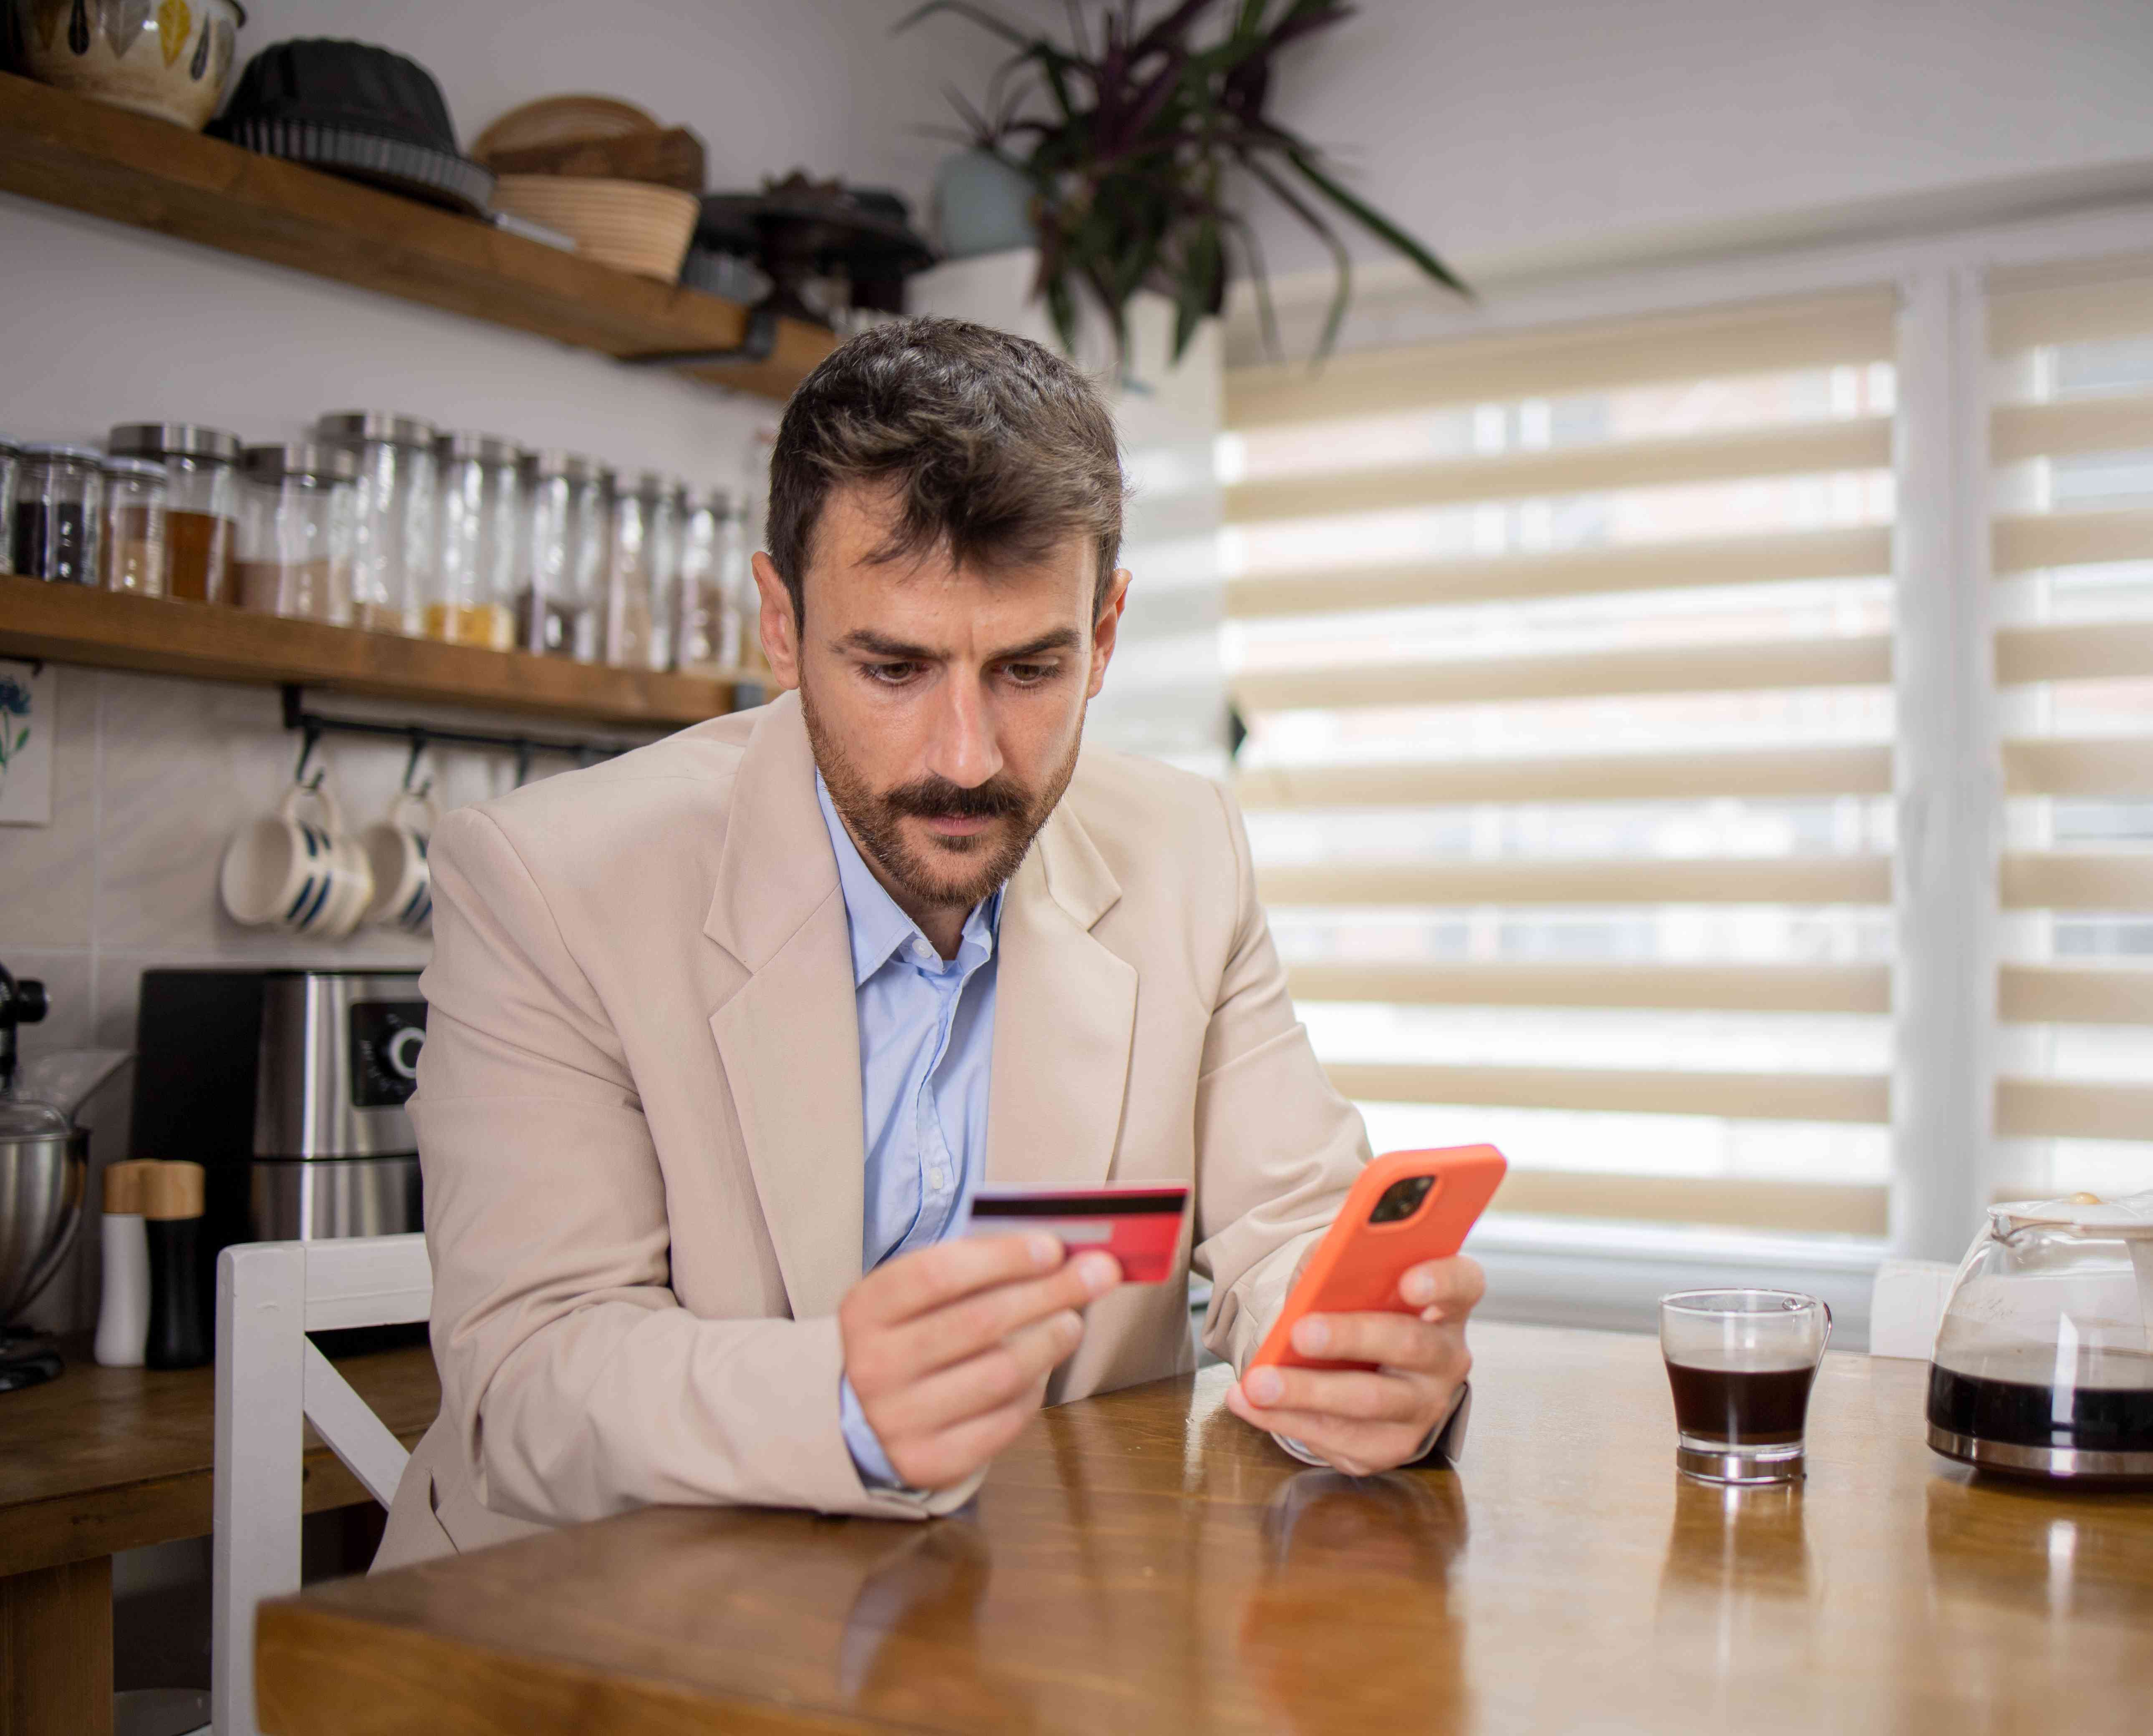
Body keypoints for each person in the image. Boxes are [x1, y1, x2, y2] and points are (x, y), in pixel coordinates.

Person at [376, 318, 1481, 1567]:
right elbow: (531, 1373)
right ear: (781, 627)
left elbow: (1291, 1232)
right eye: (893, 667)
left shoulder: (1187, 853)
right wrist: (845, 1400)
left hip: (1023, 1627)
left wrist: (1358, 1358)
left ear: (1106, 636)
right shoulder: (548, 882)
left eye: (1030, 669)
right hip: (583, 1627)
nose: (966, 757)